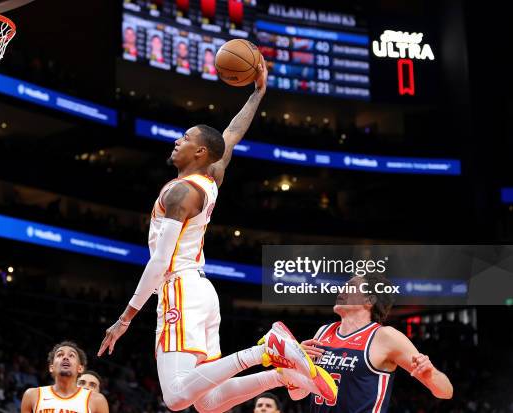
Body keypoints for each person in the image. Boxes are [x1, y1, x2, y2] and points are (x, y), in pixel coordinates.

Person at [98, 58, 335, 413]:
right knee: (207, 403)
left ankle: (267, 348)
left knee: (176, 398)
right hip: (202, 292)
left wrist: (125, 318)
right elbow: (232, 134)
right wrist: (258, 93)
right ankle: (282, 376)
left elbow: (160, 262)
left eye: (186, 138)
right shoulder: (211, 177)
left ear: (200, 152)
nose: (177, 141)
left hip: (179, 287)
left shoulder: (180, 194)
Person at [301, 274, 454, 412]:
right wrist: (296, 360)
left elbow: (446, 392)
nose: (342, 289)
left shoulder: (385, 336)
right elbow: (300, 389)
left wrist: (430, 375)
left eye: (351, 286)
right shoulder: (323, 332)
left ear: (369, 300)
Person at [21, 341, 108, 413]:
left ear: (80, 368)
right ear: (51, 367)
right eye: (60, 355)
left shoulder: (97, 400)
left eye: (71, 355)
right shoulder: (32, 395)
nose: (65, 357)